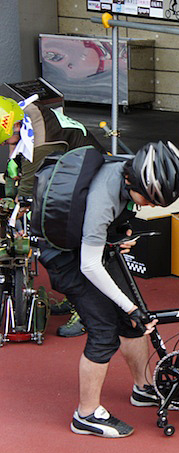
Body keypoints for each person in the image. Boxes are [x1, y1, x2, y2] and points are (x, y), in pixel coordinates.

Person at [37, 141, 179, 438]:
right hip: (67, 259)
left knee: (135, 321)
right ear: (134, 181)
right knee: (104, 330)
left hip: (92, 246)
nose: (151, 206)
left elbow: (116, 221)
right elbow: (89, 265)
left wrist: (119, 235)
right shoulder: (103, 198)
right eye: (150, 199)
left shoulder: (130, 170)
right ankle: (86, 415)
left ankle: (143, 388)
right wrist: (128, 306)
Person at [0, 95, 104, 337]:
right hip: (73, 174)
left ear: (15, 125)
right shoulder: (25, 112)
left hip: (89, 184)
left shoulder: (43, 141)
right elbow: (22, 159)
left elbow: (28, 192)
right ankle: (75, 297)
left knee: (76, 249)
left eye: (6, 140)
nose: (6, 145)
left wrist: (18, 220)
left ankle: (88, 313)